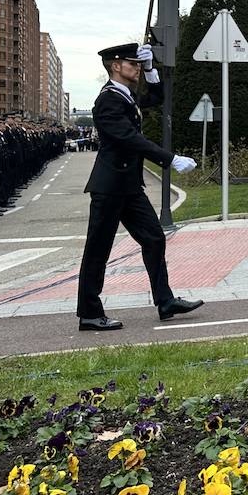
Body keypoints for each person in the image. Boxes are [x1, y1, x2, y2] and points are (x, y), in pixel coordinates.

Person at [76, 41, 204, 331]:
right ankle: (89, 313)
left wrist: (151, 69)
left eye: (138, 63)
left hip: (128, 186)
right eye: (132, 64)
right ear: (115, 66)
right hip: (109, 186)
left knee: (154, 238)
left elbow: (157, 97)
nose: (137, 68)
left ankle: (165, 301)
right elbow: (129, 139)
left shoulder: (126, 96)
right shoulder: (109, 99)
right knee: (98, 249)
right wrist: (169, 159)